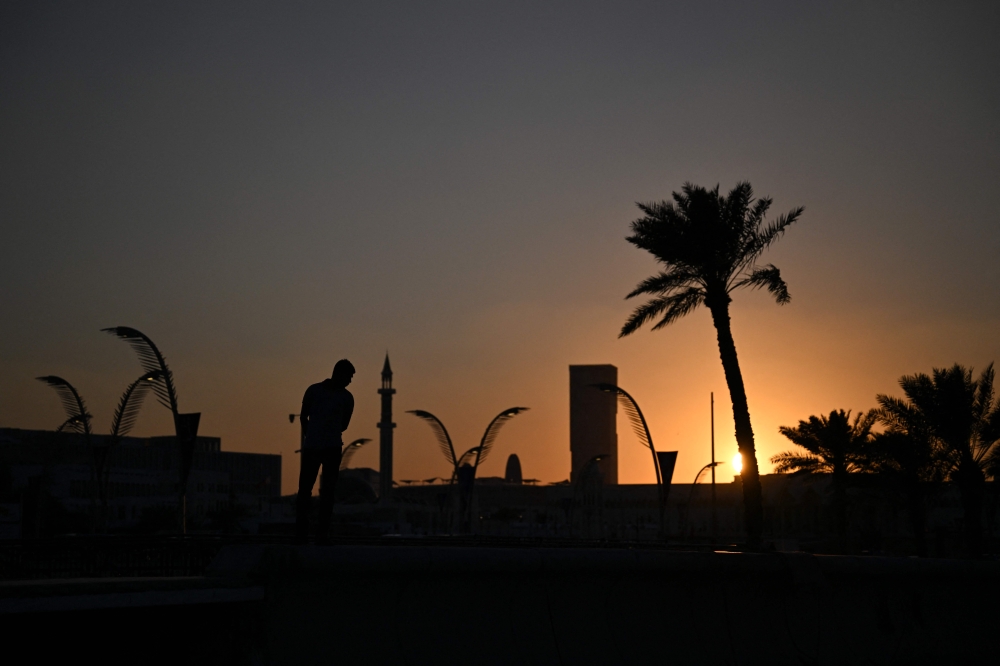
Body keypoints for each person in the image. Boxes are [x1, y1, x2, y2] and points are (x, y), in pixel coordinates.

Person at [295, 359, 355, 544]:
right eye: (349, 377)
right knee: (308, 490)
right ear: (340, 374)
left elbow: (304, 417)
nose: (350, 381)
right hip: (319, 447)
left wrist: (312, 433)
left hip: (328, 448)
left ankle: (318, 532)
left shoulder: (342, 397)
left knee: (325, 492)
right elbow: (304, 416)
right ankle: (306, 532)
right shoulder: (318, 392)